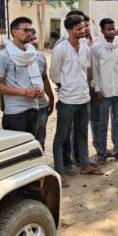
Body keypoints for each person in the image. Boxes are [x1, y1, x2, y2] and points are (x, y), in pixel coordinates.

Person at [50, 15, 103, 185]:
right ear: (69, 30)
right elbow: (54, 74)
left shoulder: (85, 47)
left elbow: (85, 70)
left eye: (83, 28)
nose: (83, 31)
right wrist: (64, 86)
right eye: (78, 29)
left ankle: (85, 164)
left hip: (84, 98)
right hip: (67, 99)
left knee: (82, 133)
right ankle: (59, 172)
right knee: (62, 136)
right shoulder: (60, 49)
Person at [0, 17, 44, 136]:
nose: (29, 33)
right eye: (25, 30)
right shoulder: (3, 56)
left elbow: (36, 78)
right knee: (17, 146)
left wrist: (40, 90)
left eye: (30, 30)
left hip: (34, 107)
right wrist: (25, 92)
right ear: (14, 32)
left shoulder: (31, 53)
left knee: (31, 144)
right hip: (15, 111)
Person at [91, 18, 118, 163]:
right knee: (102, 124)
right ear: (102, 31)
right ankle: (102, 153)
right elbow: (94, 71)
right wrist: (97, 89)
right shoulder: (96, 48)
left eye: (113, 29)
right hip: (104, 92)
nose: (112, 32)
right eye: (109, 29)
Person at [29, 34, 55, 152]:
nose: (34, 41)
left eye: (34, 38)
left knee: (40, 138)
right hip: (23, 107)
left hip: (41, 104)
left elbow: (44, 78)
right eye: (30, 40)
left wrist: (51, 98)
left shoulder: (40, 57)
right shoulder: (11, 57)